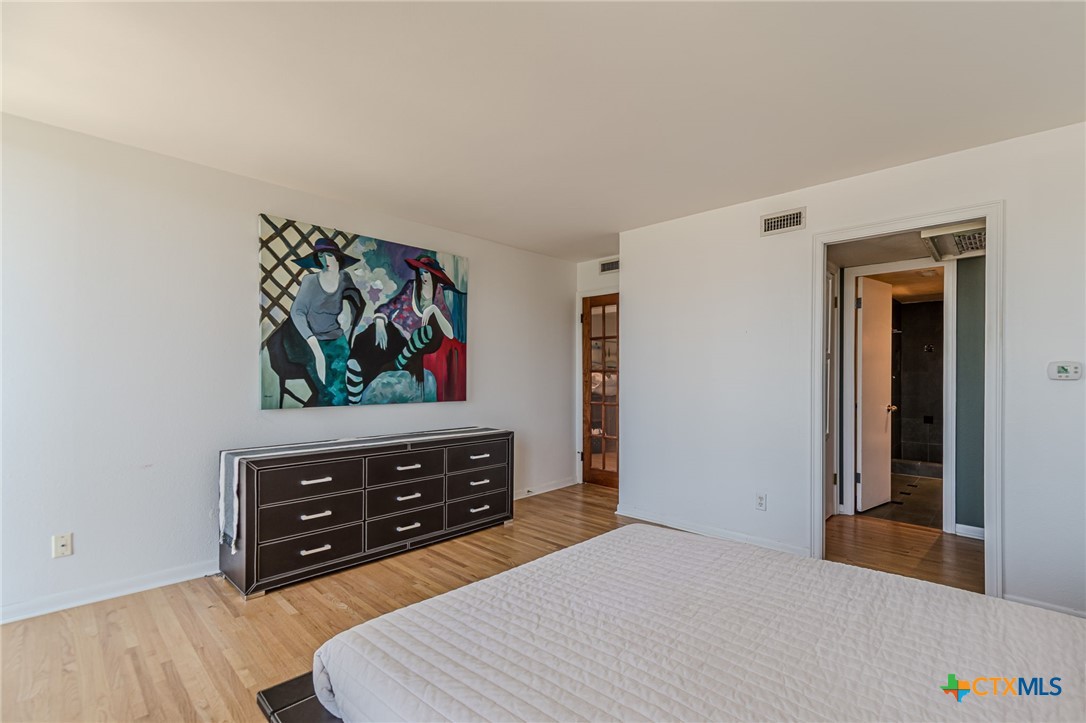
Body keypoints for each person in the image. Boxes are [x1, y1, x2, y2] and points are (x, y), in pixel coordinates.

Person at [346, 254, 460, 403]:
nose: (423, 276)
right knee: (369, 337)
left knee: (426, 333)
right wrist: (380, 320)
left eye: (426, 272)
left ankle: (401, 361)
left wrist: (433, 309)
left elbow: (450, 333)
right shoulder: (411, 287)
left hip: (417, 343)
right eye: (420, 272)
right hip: (397, 334)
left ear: (434, 274)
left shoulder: (438, 294)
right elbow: (391, 306)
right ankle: (354, 388)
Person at [289, 238, 362, 406]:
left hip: (337, 340)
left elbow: (355, 301)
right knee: (324, 391)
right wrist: (313, 344)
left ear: (338, 257)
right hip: (313, 341)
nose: (325, 261)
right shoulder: (310, 281)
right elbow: (297, 312)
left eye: (329, 255)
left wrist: (348, 318)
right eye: (321, 256)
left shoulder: (345, 278)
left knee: (342, 390)